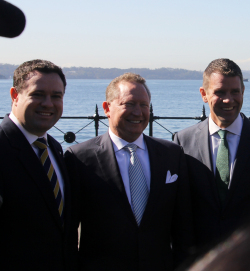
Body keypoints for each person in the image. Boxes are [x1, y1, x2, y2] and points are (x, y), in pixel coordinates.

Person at [64, 73, 194, 270]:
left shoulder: (171, 154)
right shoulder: (79, 158)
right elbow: (69, 229)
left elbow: (183, 225)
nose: (138, 112)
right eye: (129, 104)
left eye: (144, 105)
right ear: (107, 108)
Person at [174, 58, 250, 250]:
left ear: (243, 91)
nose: (228, 99)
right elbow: (181, 211)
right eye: (219, 92)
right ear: (204, 94)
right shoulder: (183, 141)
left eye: (235, 91)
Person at [0, 59, 77, 270]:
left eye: (56, 96)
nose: (48, 103)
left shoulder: (53, 147)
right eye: (38, 94)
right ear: (15, 96)